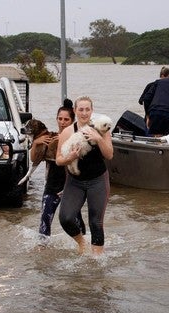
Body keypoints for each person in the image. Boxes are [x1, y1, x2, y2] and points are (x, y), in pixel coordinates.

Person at [55, 96, 113, 256]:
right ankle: (82, 243)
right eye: (81, 109)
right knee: (66, 218)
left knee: (96, 222)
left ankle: (97, 260)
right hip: (75, 181)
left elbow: (109, 155)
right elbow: (58, 160)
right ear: (75, 111)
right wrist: (70, 158)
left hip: (98, 180)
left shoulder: (101, 127)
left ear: (92, 111)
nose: (84, 113)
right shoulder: (67, 132)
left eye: (87, 109)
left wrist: (98, 139)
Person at [33, 99, 86, 246]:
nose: (62, 122)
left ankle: (83, 247)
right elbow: (34, 160)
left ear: (72, 120)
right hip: (51, 187)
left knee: (75, 220)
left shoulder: (78, 139)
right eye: (60, 119)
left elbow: (81, 167)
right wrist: (36, 143)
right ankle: (42, 251)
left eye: (66, 119)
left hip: (72, 188)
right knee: (45, 220)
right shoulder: (50, 138)